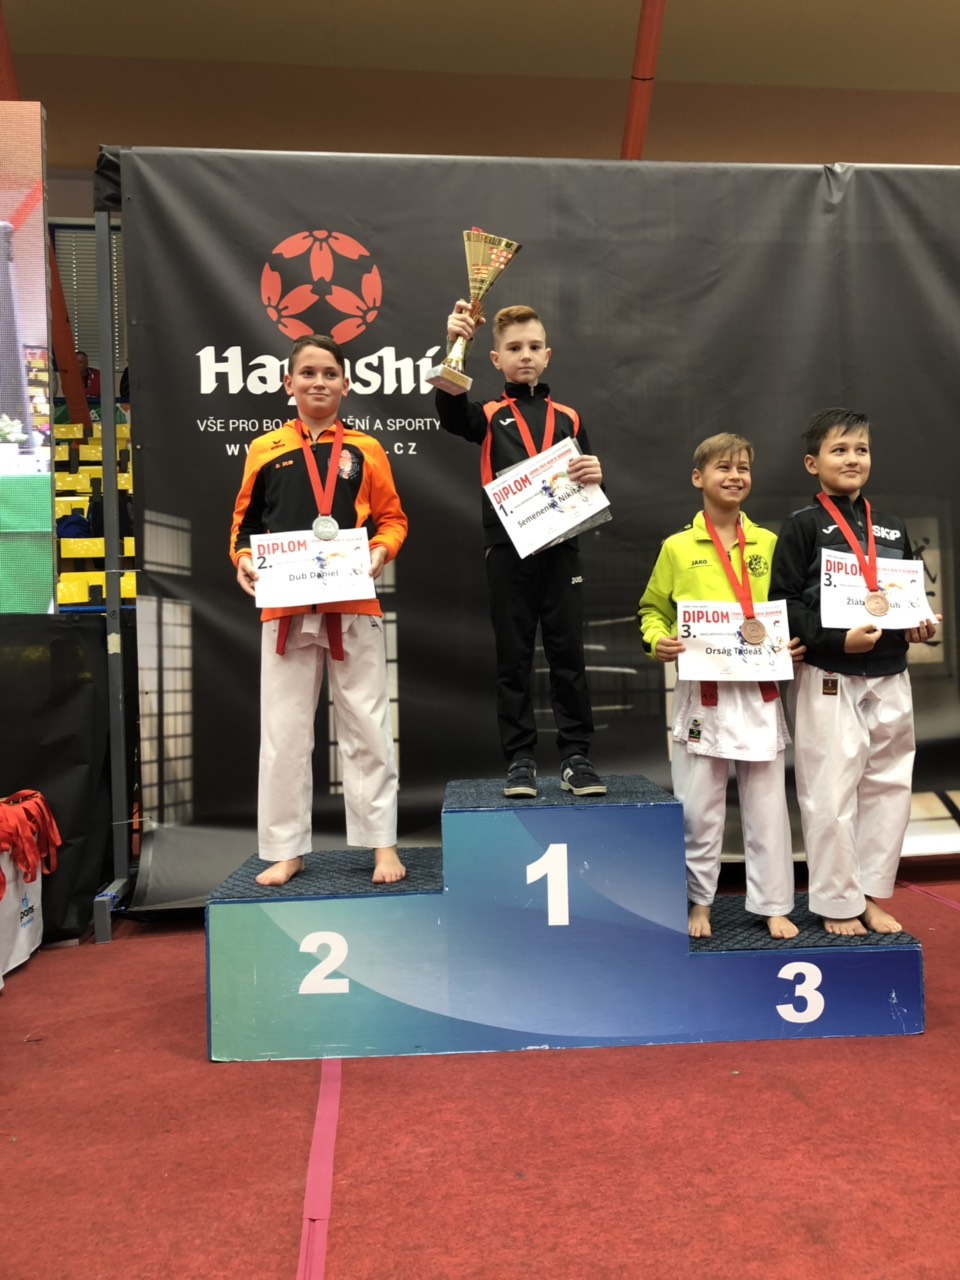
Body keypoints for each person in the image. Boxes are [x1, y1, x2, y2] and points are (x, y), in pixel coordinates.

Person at [230, 334, 408, 887]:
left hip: (351, 602)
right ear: (289, 384)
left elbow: (392, 518)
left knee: (368, 727)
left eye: (329, 373)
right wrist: (242, 559)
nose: (318, 382)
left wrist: (381, 551)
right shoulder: (264, 448)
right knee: (283, 734)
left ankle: (382, 844)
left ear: (346, 385)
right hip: (285, 609)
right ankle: (286, 850)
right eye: (307, 373)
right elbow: (245, 524)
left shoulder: (366, 449)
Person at [770, 408, 939, 935]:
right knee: (829, 789)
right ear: (812, 463)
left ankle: (867, 894)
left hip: (889, 670)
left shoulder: (892, 526)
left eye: (861, 449)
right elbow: (783, 601)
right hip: (829, 672)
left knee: (889, 785)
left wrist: (916, 625)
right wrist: (834, 639)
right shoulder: (802, 525)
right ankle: (836, 902)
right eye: (839, 450)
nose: (852, 459)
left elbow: (903, 596)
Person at [436, 301, 605, 799]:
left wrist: (596, 474)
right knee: (513, 657)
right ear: (496, 359)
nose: (525, 355)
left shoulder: (569, 417)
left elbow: (588, 481)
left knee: (568, 653)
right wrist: (456, 344)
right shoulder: (488, 416)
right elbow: (450, 412)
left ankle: (576, 757)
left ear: (548, 355)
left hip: (562, 547)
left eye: (533, 347)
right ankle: (520, 760)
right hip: (508, 551)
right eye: (514, 348)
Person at [638, 433, 803, 939]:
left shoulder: (770, 543)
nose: (735, 476)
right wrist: (658, 640)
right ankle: (698, 902)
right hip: (702, 692)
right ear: (699, 478)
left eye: (743, 468)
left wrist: (794, 641)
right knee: (698, 807)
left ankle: (774, 904)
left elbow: (789, 608)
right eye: (723, 467)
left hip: (758, 690)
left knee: (768, 807)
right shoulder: (676, 547)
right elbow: (652, 609)